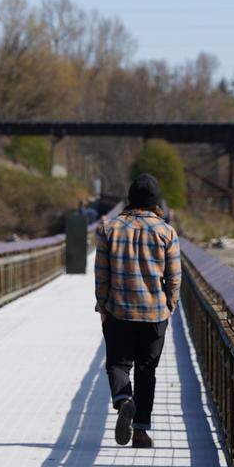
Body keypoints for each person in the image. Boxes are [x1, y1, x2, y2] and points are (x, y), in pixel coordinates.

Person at [95, 173, 181, 448]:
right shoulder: (166, 232)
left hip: (119, 311)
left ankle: (123, 401)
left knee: (118, 364)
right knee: (147, 370)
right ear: (156, 202)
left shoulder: (110, 228)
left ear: (130, 199)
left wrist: (103, 305)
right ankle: (141, 432)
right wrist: (170, 306)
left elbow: (101, 274)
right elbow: (174, 277)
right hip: (154, 314)